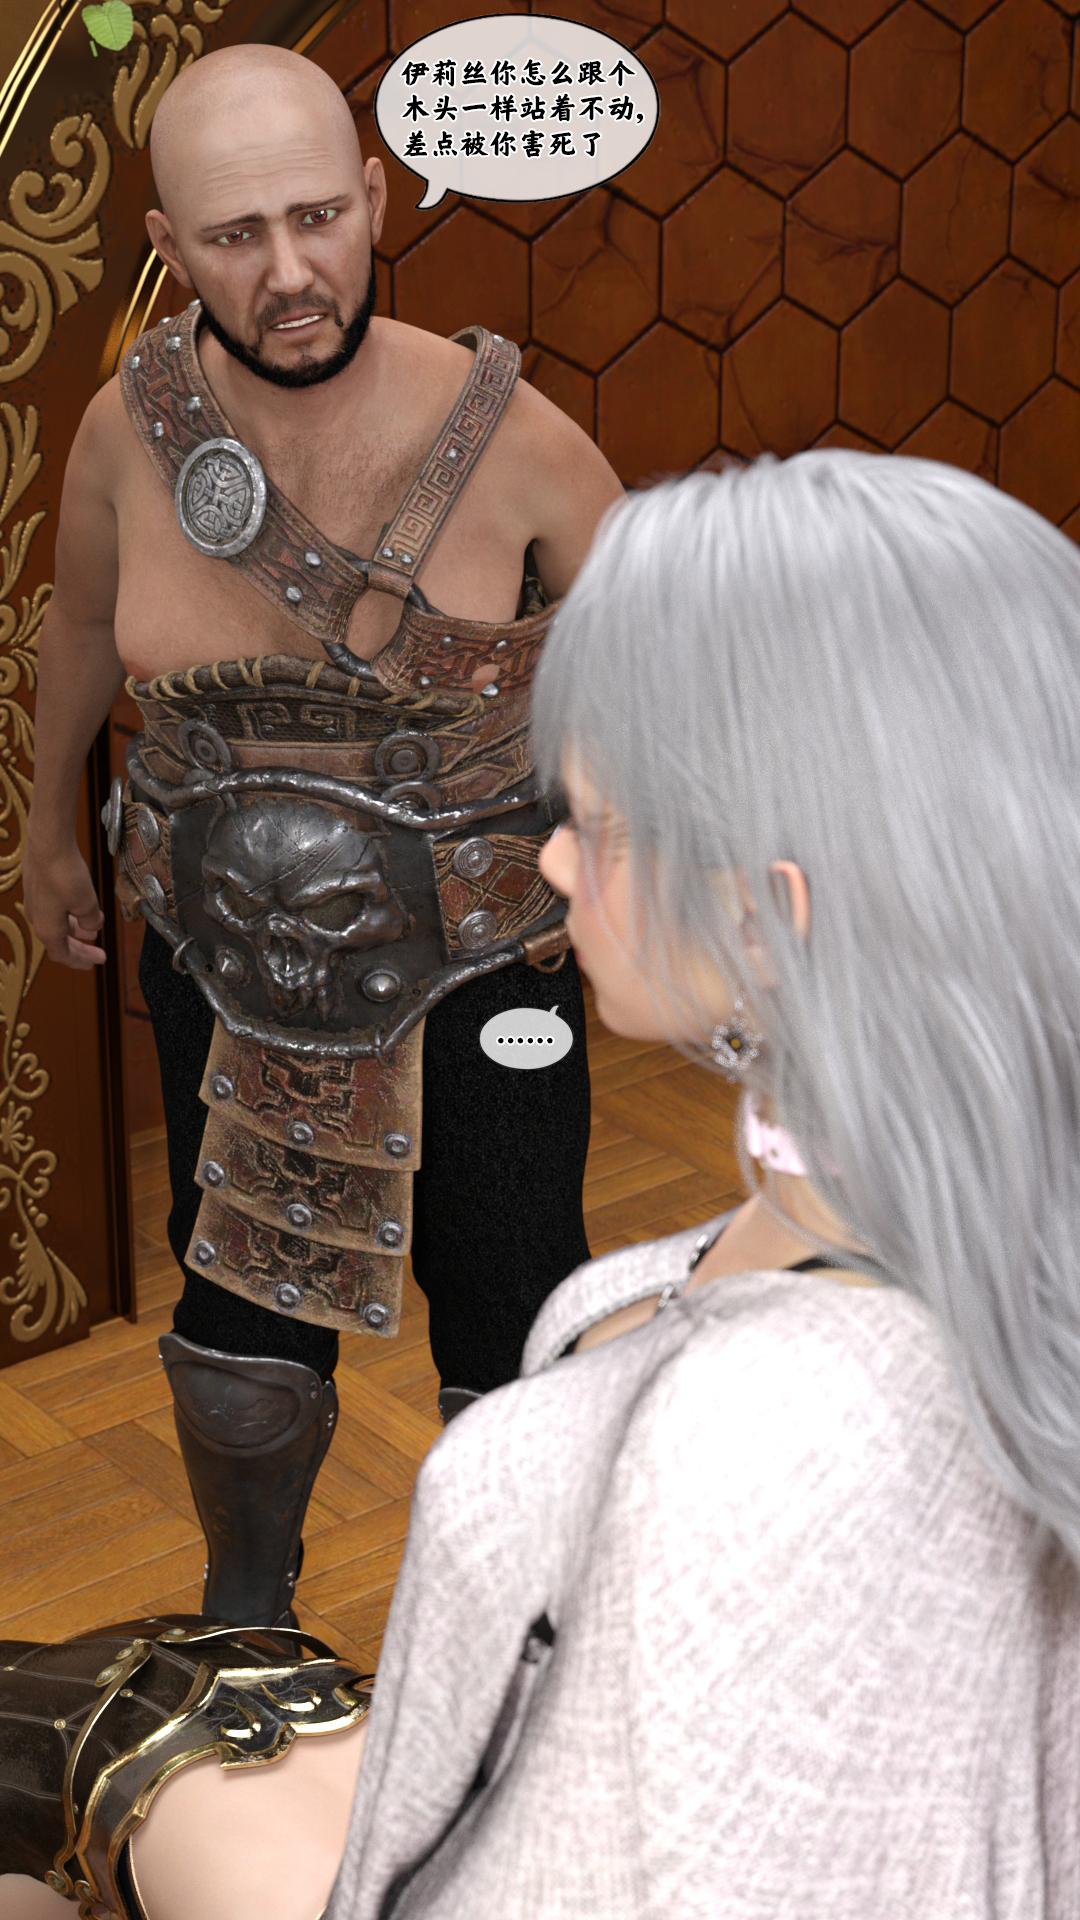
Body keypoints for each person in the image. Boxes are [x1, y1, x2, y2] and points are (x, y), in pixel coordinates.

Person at [7, 449, 1080, 1917]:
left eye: (593, 820)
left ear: (766, 917)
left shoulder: (752, 1442)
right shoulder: (975, 1218)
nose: (552, 863)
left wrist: (175, 1827)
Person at [21, 44, 623, 1627]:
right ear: (168, 248)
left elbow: (656, 666)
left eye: (317, 219)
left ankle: (529, 1637)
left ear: (373, 199)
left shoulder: (518, 437)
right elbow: (77, 623)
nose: (288, 274)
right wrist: (47, 823)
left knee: (516, 1307)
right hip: (220, 961)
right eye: (235, 237)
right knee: (236, 1310)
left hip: (488, 977)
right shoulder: (123, 431)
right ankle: (248, 1623)